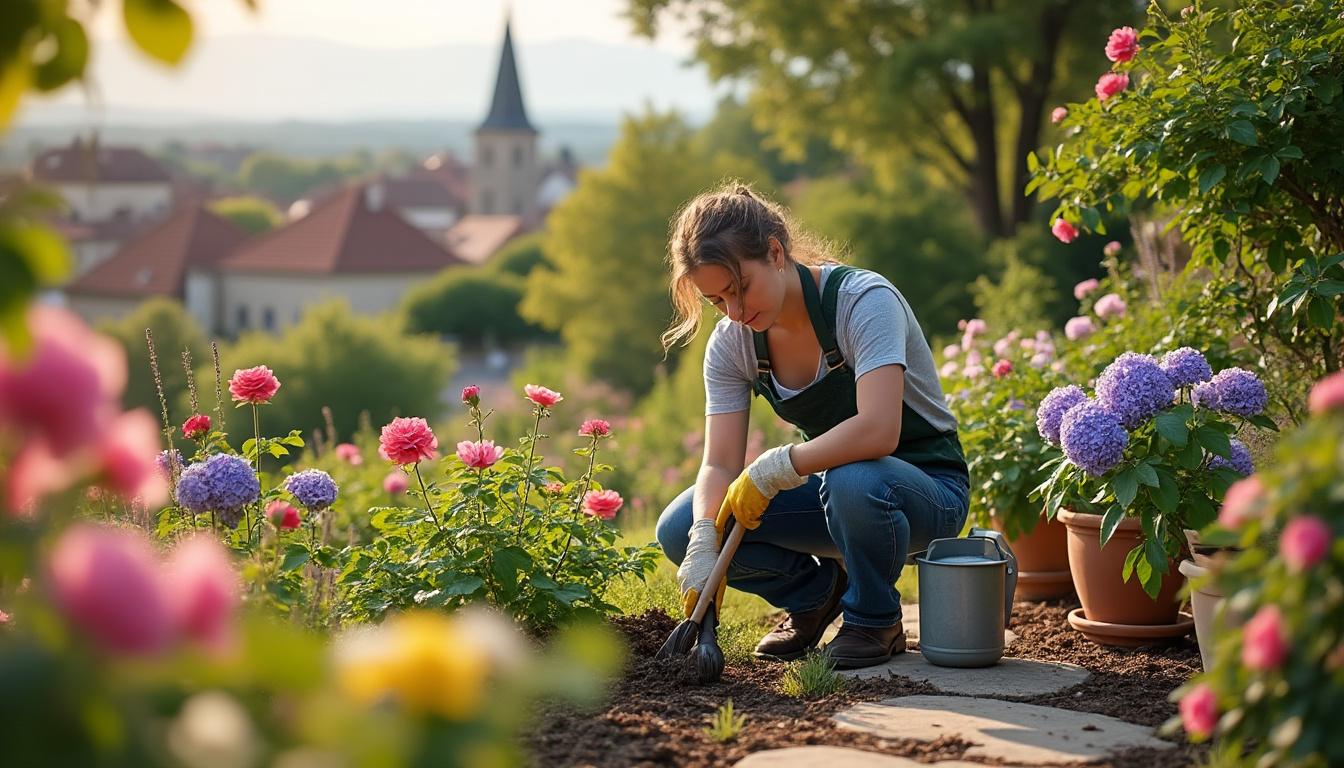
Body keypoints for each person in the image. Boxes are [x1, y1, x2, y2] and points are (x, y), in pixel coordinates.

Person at [655, 183, 970, 670]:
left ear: (776, 252)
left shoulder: (862, 301)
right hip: (835, 493)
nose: (735, 312)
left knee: (855, 478)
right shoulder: (733, 343)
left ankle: (874, 620)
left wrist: (777, 466)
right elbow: (718, 462)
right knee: (679, 526)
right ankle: (814, 595)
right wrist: (703, 538)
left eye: (740, 289)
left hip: (927, 491)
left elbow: (879, 431)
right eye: (718, 301)